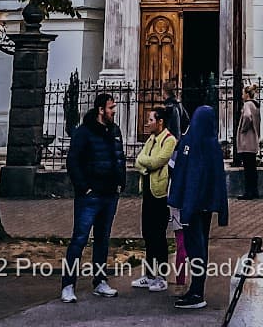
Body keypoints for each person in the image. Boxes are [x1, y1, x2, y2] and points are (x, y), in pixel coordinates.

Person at [61, 91, 125, 304]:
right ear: (101, 110)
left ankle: (99, 281)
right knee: (79, 239)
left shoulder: (115, 131)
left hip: (109, 195)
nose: (114, 111)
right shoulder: (84, 132)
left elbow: (119, 157)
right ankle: (68, 284)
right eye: (111, 108)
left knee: (102, 240)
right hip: (90, 196)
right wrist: (84, 188)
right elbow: (73, 161)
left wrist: (119, 183)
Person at [167, 103, 229, 311]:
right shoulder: (213, 146)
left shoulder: (192, 145)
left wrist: (184, 205)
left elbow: (189, 177)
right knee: (199, 246)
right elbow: (217, 180)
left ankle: (197, 291)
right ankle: (197, 287)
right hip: (204, 205)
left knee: (195, 247)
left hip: (192, 206)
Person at [132, 107, 177, 291]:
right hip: (148, 192)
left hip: (161, 194)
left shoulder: (169, 140)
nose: (147, 122)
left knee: (159, 236)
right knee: (148, 234)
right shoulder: (151, 139)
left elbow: (159, 160)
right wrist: (145, 167)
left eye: (150, 119)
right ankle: (149, 274)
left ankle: (162, 276)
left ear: (160, 122)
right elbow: (138, 160)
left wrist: (146, 163)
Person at [235, 86, 260, 200]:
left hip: (247, 142)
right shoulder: (255, 105)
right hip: (253, 141)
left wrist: (243, 129)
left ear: (247, 94)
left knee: (248, 169)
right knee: (252, 169)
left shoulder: (247, 105)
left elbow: (247, 116)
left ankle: (248, 192)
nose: (242, 96)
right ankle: (254, 191)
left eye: (243, 93)